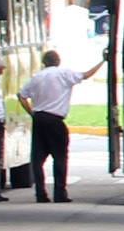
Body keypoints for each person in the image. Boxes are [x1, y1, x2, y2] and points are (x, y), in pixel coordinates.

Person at [22, 46, 105, 202]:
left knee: (38, 158)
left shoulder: (36, 77)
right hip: (55, 120)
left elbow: (21, 95)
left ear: (44, 62)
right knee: (60, 157)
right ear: (58, 61)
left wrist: (31, 112)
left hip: (39, 118)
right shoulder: (64, 74)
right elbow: (86, 75)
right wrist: (103, 61)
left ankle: (41, 193)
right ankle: (60, 193)